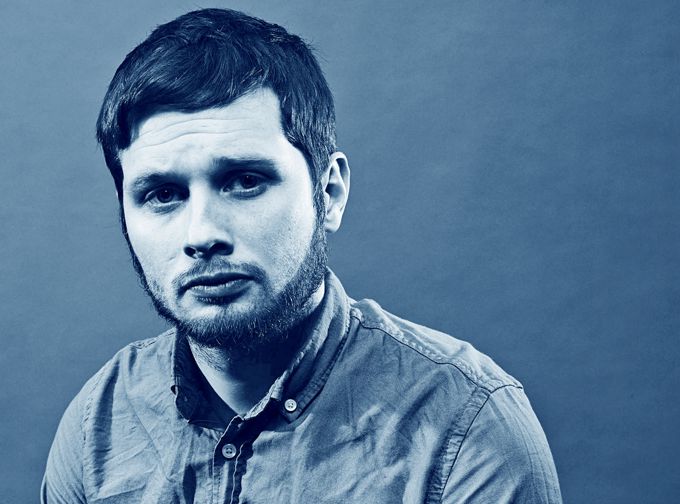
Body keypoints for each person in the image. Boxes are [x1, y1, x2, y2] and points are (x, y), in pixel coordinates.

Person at [42, 8, 562, 503]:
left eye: (245, 181)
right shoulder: (98, 423)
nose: (201, 233)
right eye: (162, 195)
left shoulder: (467, 427)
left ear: (328, 193)